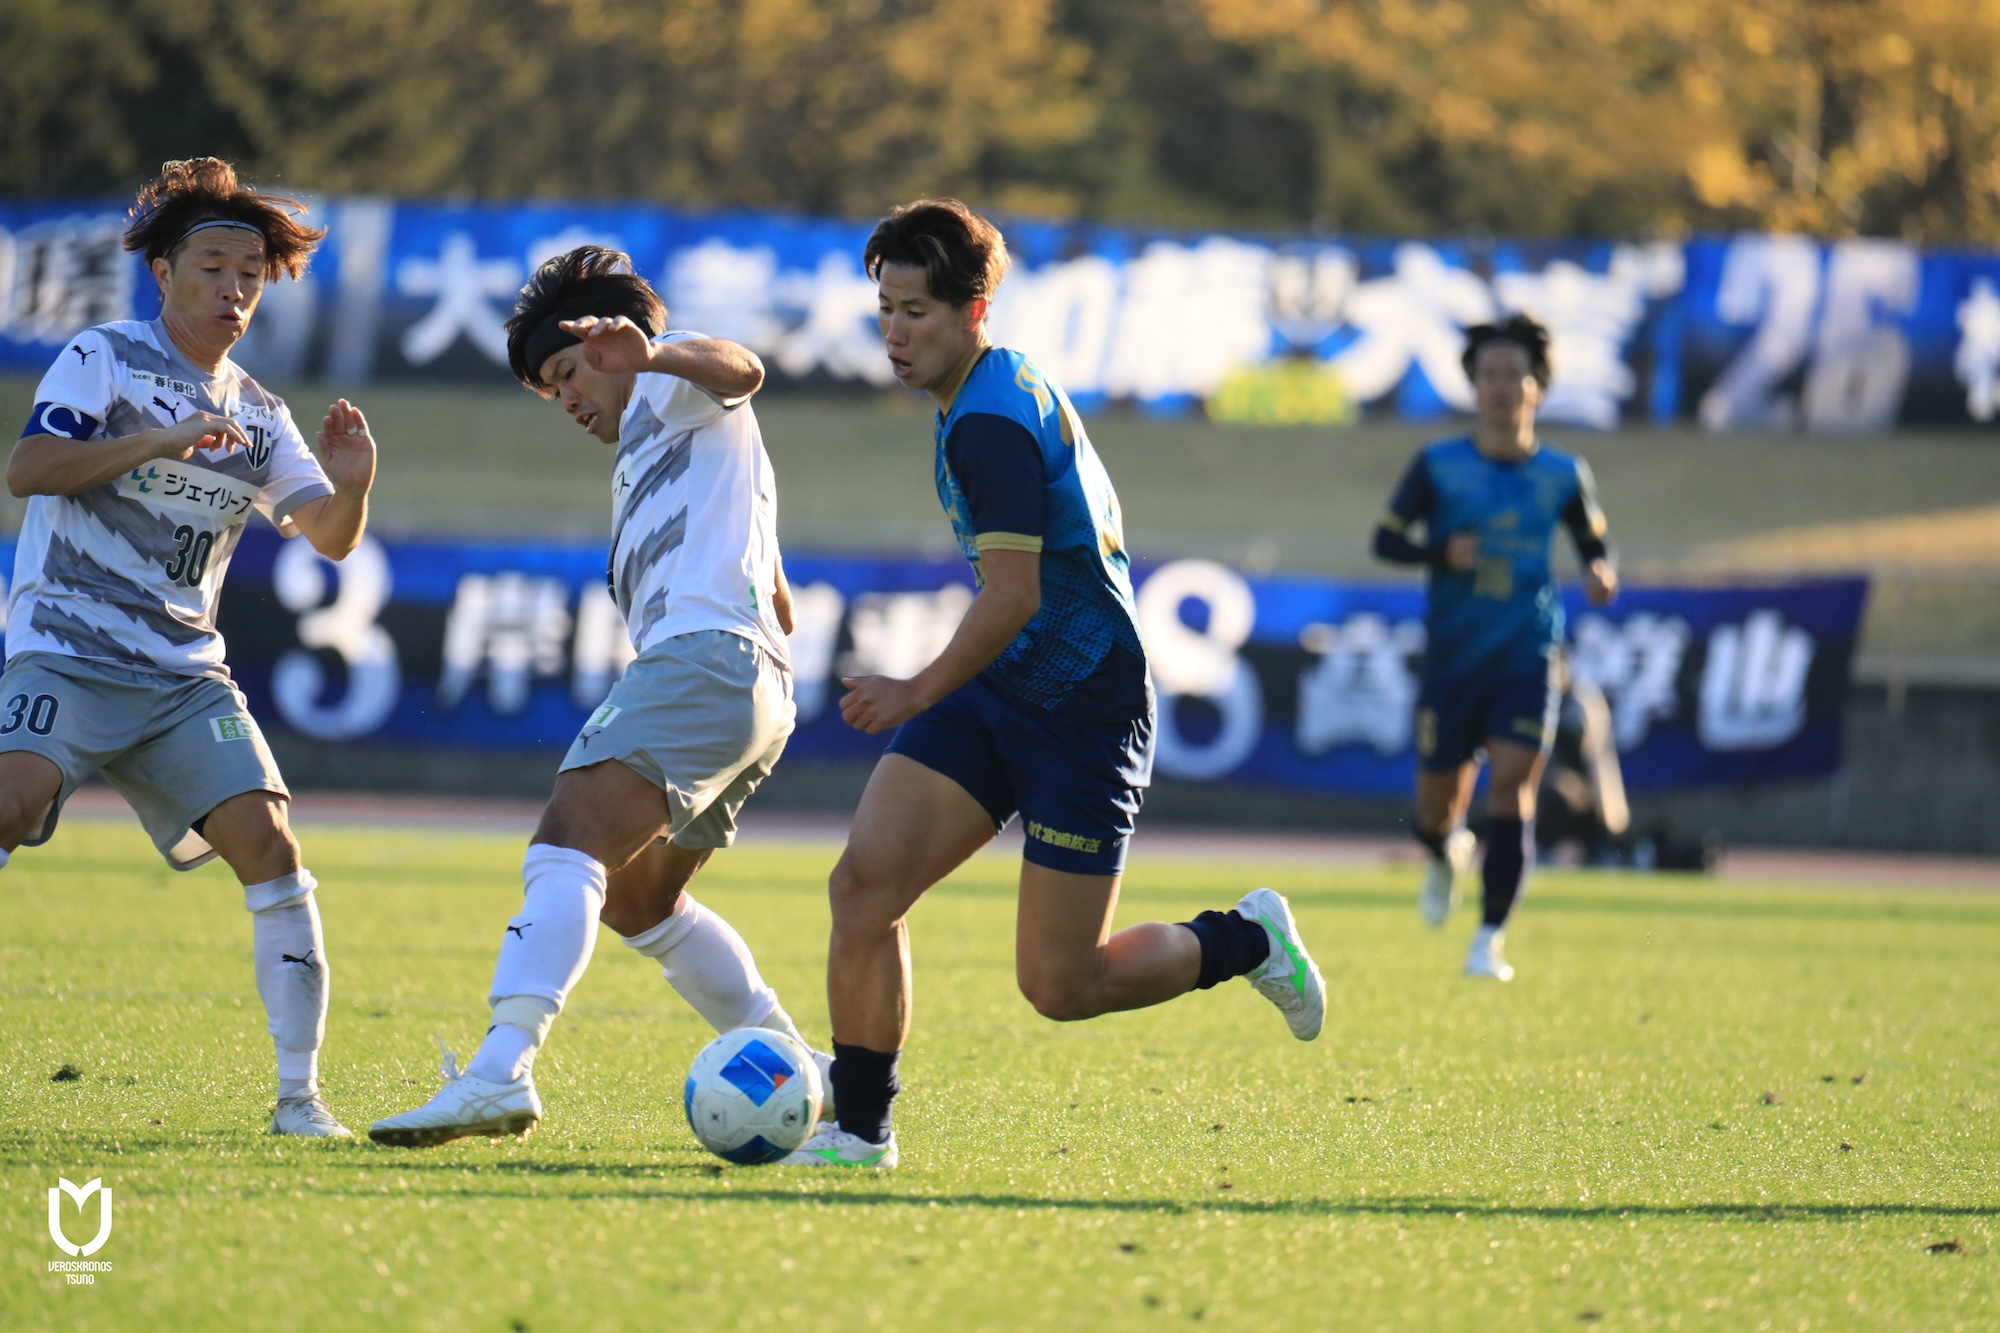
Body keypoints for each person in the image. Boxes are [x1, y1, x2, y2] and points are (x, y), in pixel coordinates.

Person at [782, 200, 1325, 1170]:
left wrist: (915, 690)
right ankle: (859, 1130)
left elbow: (1015, 594)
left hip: (1083, 705)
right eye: (886, 309)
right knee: (864, 886)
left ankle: (1245, 941)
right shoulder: (984, 384)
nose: (895, 332)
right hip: (1002, 684)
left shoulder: (988, 422)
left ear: (973, 310)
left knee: (1062, 984)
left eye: (917, 312)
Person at [370, 247, 823, 1148]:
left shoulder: (669, 386)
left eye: (570, 372)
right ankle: (812, 1074)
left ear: (614, 344)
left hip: (705, 663)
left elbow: (744, 369)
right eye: (551, 390)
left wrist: (651, 354)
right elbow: (778, 594)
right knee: (636, 901)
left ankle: (498, 1071)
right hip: (755, 684)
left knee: (566, 841)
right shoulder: (665, 450)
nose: (568, 398)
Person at [0, 158, 377, 1136]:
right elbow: (29, 467)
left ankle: (300, 1099)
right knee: (8, 802)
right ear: (162, 272)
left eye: (250, 274)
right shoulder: (104, 356)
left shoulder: (260, 415)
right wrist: (156, 442)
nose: (233, 289)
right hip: (66, 649)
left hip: (181, 680)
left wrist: (353, 485)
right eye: (212, 268)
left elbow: (330, 537)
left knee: (272, 845)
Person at [1371, 312, 1619, 981]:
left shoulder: (1564, 473)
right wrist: (1437, 552)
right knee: (1433, 811)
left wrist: (1601, 571)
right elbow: (1385, 539)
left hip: (1527, 656)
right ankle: (1446, 849)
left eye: (1515, 374)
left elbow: (1594, 542)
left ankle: (1489, 940)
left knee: (1513, 788)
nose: (1503, 386)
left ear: (1538, 385)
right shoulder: (1438, 465)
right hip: (1454, 660)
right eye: (1490, 375)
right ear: (1474, 386)